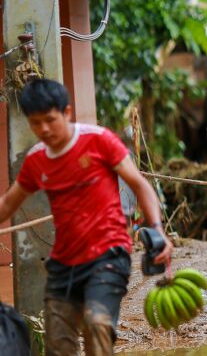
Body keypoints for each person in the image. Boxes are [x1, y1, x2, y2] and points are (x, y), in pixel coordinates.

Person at [0, 79, 173, 356]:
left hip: (108, 256)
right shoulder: (36, 160)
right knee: (58, 345)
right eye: (35, 123)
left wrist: (157, 229)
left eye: (50, 119)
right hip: (63, 264)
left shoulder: (99, 140)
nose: (43, 129)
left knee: (97, 323)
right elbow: (8, 203)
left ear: (67, 113)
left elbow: (140, 186)